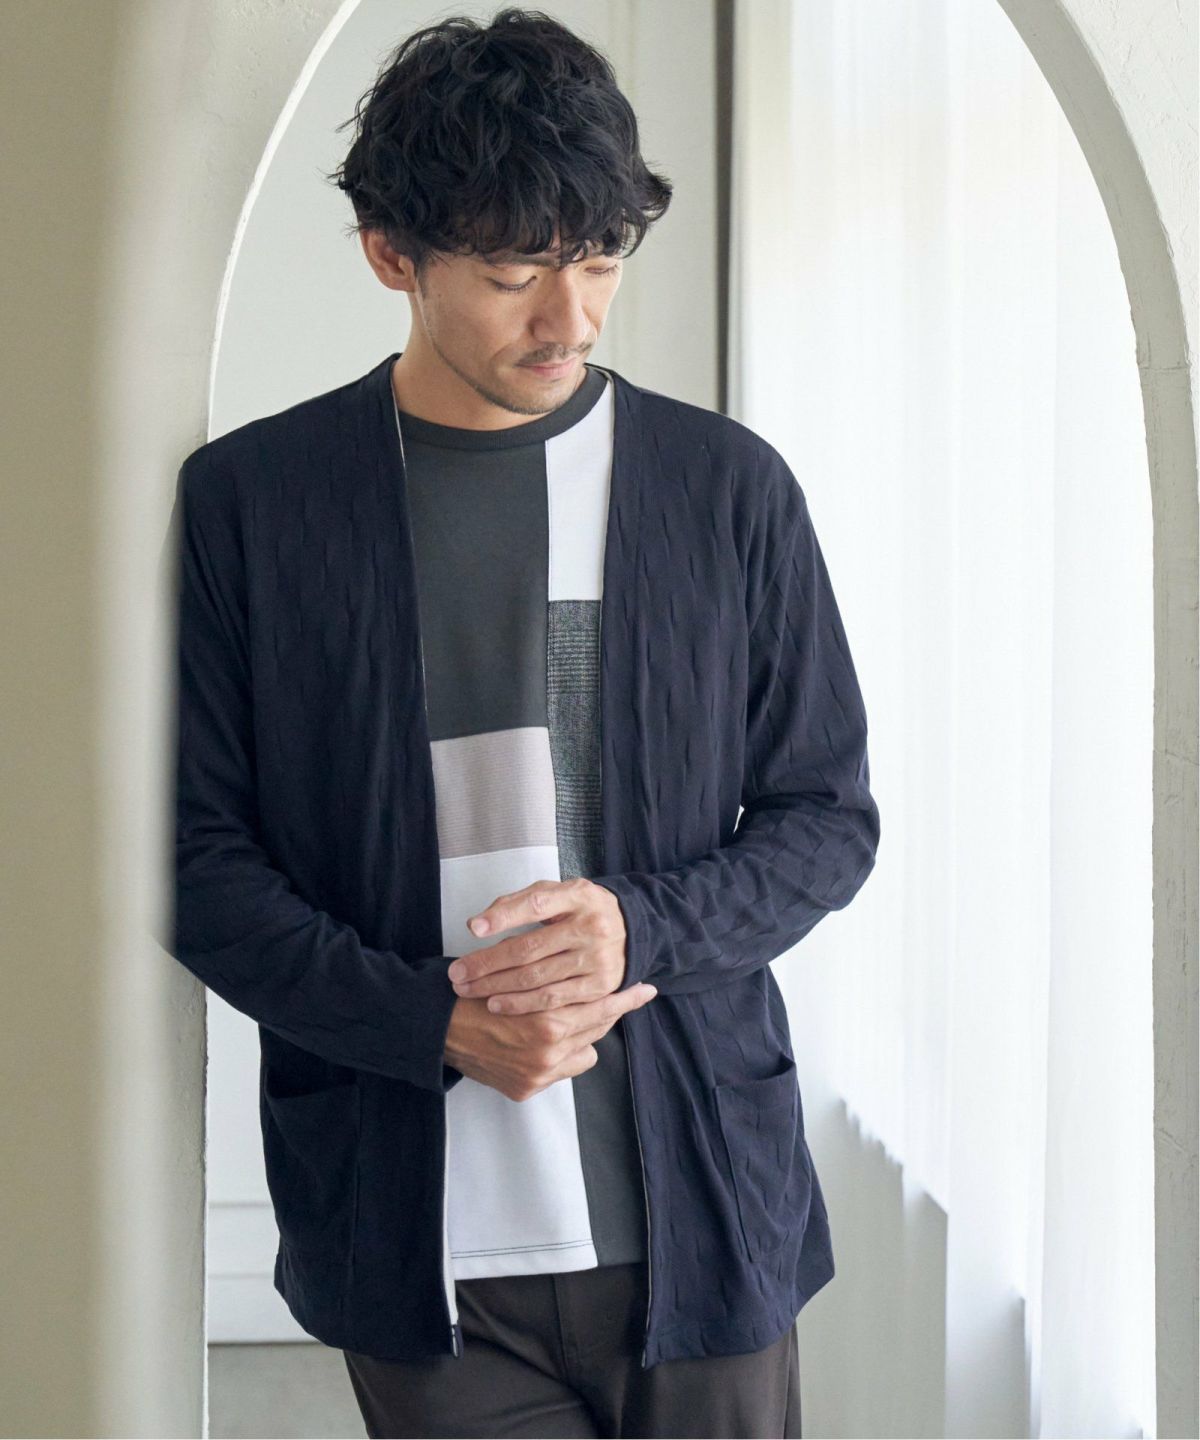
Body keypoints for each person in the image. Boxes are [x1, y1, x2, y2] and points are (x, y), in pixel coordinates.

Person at [167, 8, 880, 1437]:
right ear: (391, 255)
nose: (572, 319)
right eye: (512, 274)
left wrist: (637, 929)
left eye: (600, 258)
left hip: (701, 1214)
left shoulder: (726, 491)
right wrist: (426, 1021)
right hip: (412, 1233)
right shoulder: (257, 505)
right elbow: (193, 861)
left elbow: (826, 820)